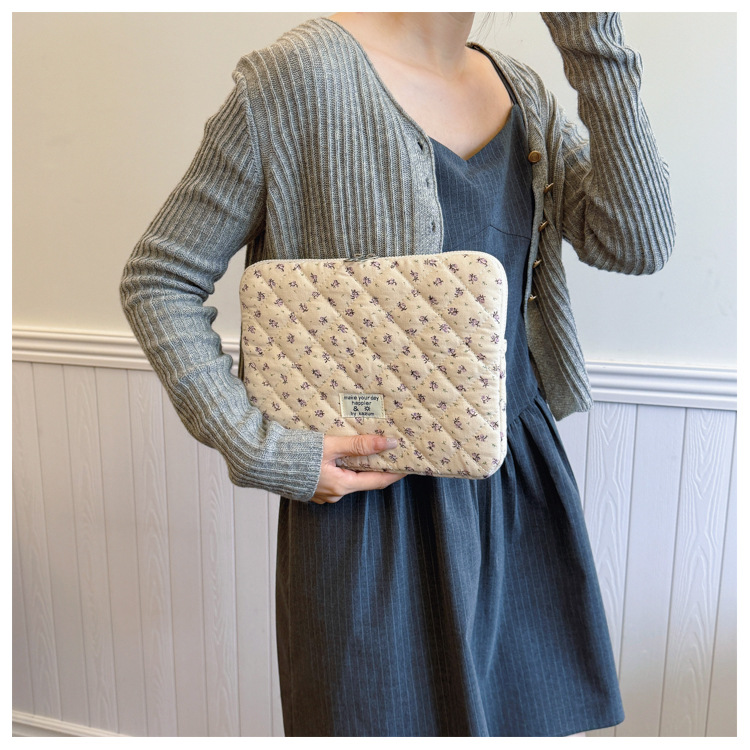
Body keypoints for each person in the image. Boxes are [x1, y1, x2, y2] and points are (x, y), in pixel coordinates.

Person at [120, 12, 674, 737]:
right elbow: (158, 278)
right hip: (368, 518)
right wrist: (264, 449)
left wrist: (592, 40)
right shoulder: (294, 80)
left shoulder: (524, 91)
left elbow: (636, 240)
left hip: (516, 494)